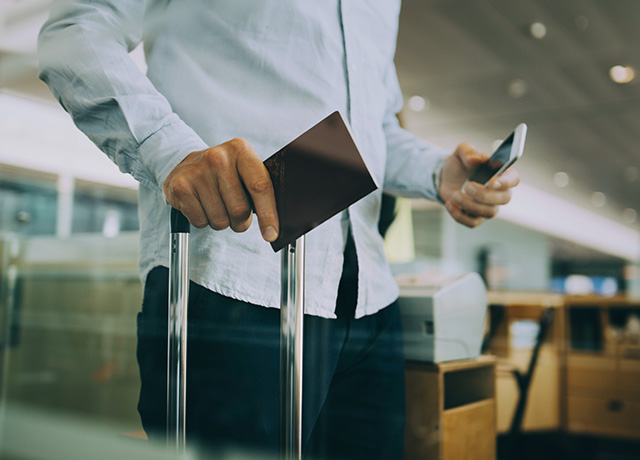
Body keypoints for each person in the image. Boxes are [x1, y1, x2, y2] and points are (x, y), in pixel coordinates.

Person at [38, 2, 519, 458]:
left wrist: (438, 174)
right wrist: (168, 149)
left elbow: (368, 130)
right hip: (232, 277)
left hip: (369, 297)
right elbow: (77, 30)